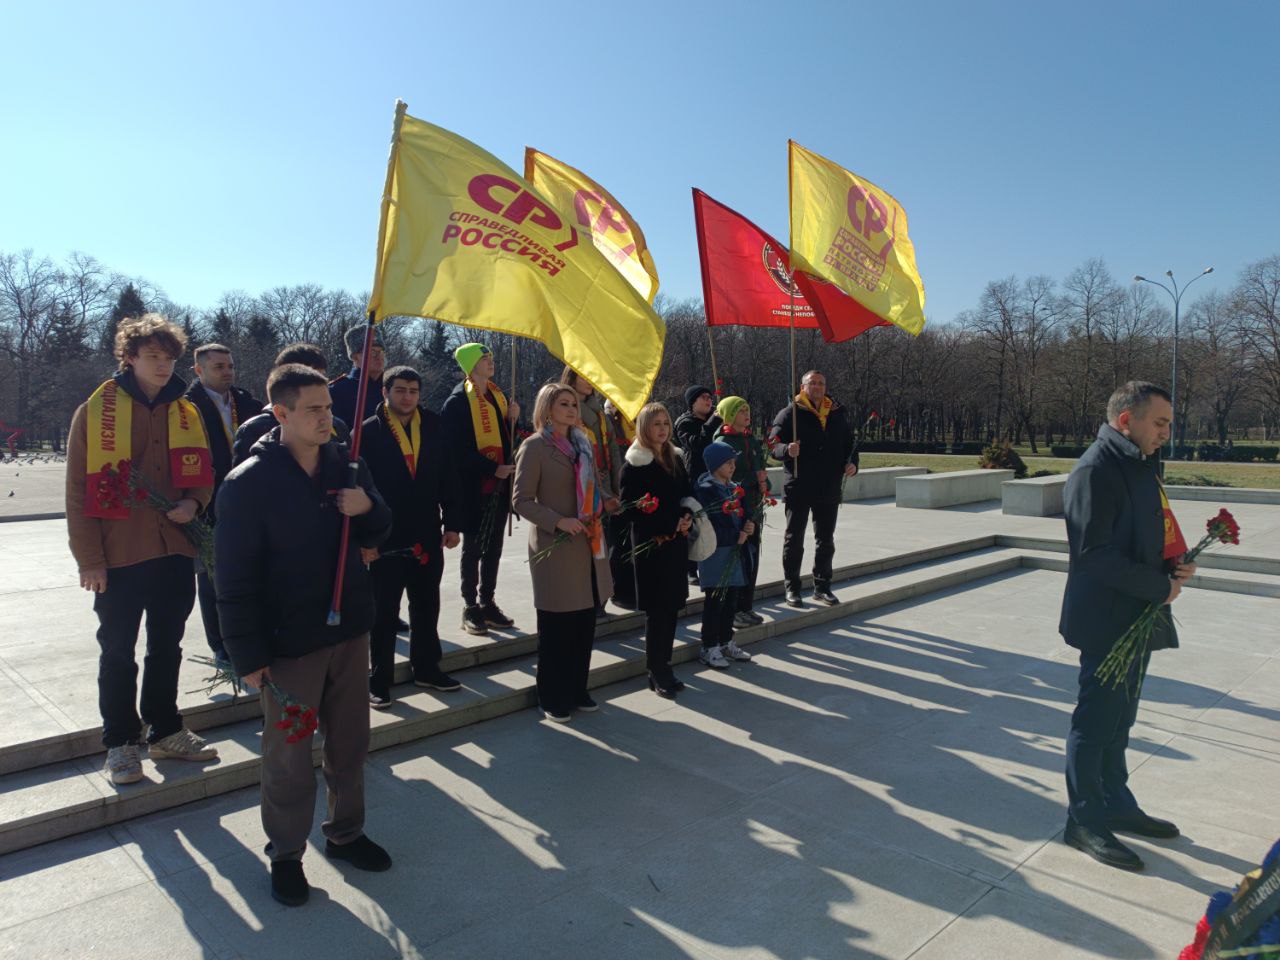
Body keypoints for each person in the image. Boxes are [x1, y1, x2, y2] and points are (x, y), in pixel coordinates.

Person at [215, 364, 393, 907]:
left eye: (328, 407)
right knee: (289, 757)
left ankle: (346, 833)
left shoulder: (347, 464)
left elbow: (381, 525)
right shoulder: (248, 484)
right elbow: (233, 578)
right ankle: (287, 854)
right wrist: (246, 654)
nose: (326, 417)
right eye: (313, 409)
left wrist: (367, 507)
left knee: (350, 743)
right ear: (281, 413)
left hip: (349, 630)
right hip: (289, 642)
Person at [66, 314, 218, 786]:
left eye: (169, 357)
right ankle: (120, 742)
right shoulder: (96, 412)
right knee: (117, 652)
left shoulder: (186, 411)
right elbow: (77, 490)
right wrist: (90, 559)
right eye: (153, 356)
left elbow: (203, 473)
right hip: (119, 555)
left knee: (167, 646)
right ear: (129, 357)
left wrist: (193, 503)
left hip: (173, 549)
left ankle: (166, 730)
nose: (163, 365)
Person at [1060, 381, 1194, 872]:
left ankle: (1116, 801)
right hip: (1105, 620)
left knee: (1121, 718)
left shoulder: (1140, 464)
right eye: (1159, 423)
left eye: (1168, 425)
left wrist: (1176, 561)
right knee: (1095, 721)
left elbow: (1147, 532)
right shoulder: (1095, 470)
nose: (1165, 433)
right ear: (1125, 421)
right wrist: (1159, 587)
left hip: (1137, 615)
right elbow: (1094, 555)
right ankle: (1083, 819)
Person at [359, 365, 464, 708]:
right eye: (400, 390)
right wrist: (366, 540)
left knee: (426, 605)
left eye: (413, 391)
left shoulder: (433, 425)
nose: (407, 397)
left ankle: (427, 667)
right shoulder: (368, 432)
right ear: (385, 392)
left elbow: (449, 475)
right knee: (383, 612)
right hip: (384, 536)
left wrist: (453, 523)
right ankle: (379, 680)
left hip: (426, 531)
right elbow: (357, 488)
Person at [512, 383, 614, 722]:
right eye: (564, 404)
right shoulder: (534, 447)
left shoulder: (583, 444)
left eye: (573, 404)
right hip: (556, 548)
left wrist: (606, 501)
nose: (571, 409)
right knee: (557, 627)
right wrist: (558, 521)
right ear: (547, 410)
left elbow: (592, 488)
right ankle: (551, 695)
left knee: (584, 624)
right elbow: (521, 501)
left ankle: (576, 688)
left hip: (589, 543)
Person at [184, 343, 262, 663]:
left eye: (230, 365)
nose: (227, 372)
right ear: (199, 370)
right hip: (209, 502)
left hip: (248, 500)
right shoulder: (186, 406)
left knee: (247, 575)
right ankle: (220, 644)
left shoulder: (246, 402)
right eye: (218, 367)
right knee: (212, 578)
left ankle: (248, 636)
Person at [441, 343, 519, 636]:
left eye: (491, 358)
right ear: (470, 365)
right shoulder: (458, 401)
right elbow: (455, 451)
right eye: (484, 358)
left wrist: (514, 419)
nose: (491, 362)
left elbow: (509, 438)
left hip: (499, 486)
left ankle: (488, 601)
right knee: (473, 548)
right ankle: (470, 605)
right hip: (474, 488)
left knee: (494, 548)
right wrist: (490, 468)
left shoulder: (498, 397)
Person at [619, 402, 695, 697]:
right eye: (656, 424)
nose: (663, 429)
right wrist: (668, 522)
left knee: (672, 607)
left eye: (665, 423)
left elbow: (686, 493)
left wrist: (686, 517)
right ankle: (656, 669)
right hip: (651, 545)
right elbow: (629, 509)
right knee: (657, 610)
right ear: (644, 428)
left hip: (675, 543)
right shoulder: (634, 464)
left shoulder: (675, 457)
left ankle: (666, 664)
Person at [768, 370, 857, 608]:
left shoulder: (836, 412)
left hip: (829, 486)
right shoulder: (790, 413)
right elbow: (773, 445)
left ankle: (822, 587)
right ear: (802, 387)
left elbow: (850, 444)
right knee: (794, 539)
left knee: (826, 540)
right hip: (799, 485)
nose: (817, 387)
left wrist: (852, 463)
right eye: (812, 383)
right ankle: (792, 588)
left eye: (821, 383)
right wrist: (786, 450)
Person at [559, 367, 622, 616]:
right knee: (586, 546)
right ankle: (587, 597)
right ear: (572, 378)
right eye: (584, 375)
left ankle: (599, 596)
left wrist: (617, 483)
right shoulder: (565, 410)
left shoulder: (598, 411)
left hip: (605, 484)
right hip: (583, 486)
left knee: (603, 545)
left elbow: (613, 448)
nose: (590, 381)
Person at [692, 440, 755, 669]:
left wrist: (749, 526)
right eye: (728, 463)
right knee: (715, 601)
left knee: (731, 600)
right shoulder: (705, 490)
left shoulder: (734, 487)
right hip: (715, 553)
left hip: (734, 552)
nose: (732, 466)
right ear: (714, 465)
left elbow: (744, 514)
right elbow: (707, 526)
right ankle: (709, 646)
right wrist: (735, 534)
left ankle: (726, 640)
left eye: (733, 462)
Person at [233, 343, 349, 466]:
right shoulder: (254, 429)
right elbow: (247, 474)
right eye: (308, 378)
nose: (318, 385)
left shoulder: (337, 425)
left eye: (322, 378)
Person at [712, 396, 770, 628]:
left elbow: (760, 468)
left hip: (753, 507)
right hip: (735, 509)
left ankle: (747, 605)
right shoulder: (723, 442)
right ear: (729, 415)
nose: (747, 414)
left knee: (752, 557)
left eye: (747, 409)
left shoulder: (750, 439)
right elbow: (725, 477)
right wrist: (753, 479)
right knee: (738, 557)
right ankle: (734, 609)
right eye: (741, 411)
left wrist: (765, 483)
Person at [674, 385, 721, 584]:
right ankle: (690, 568)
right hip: (694, 479)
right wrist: (713, 422)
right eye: (703, 397)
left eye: (710, 397)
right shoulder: (684, 422)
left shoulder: (716, 419)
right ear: (693, 402)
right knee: (694, 524)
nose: (709, 400)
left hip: (715, 478)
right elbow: (696, 444)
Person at [329, 325, 386, 429]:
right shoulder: (338, 391)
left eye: (381, 351)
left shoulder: (392, 387)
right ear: (355, 357)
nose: (379, 356)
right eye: (372, 352)